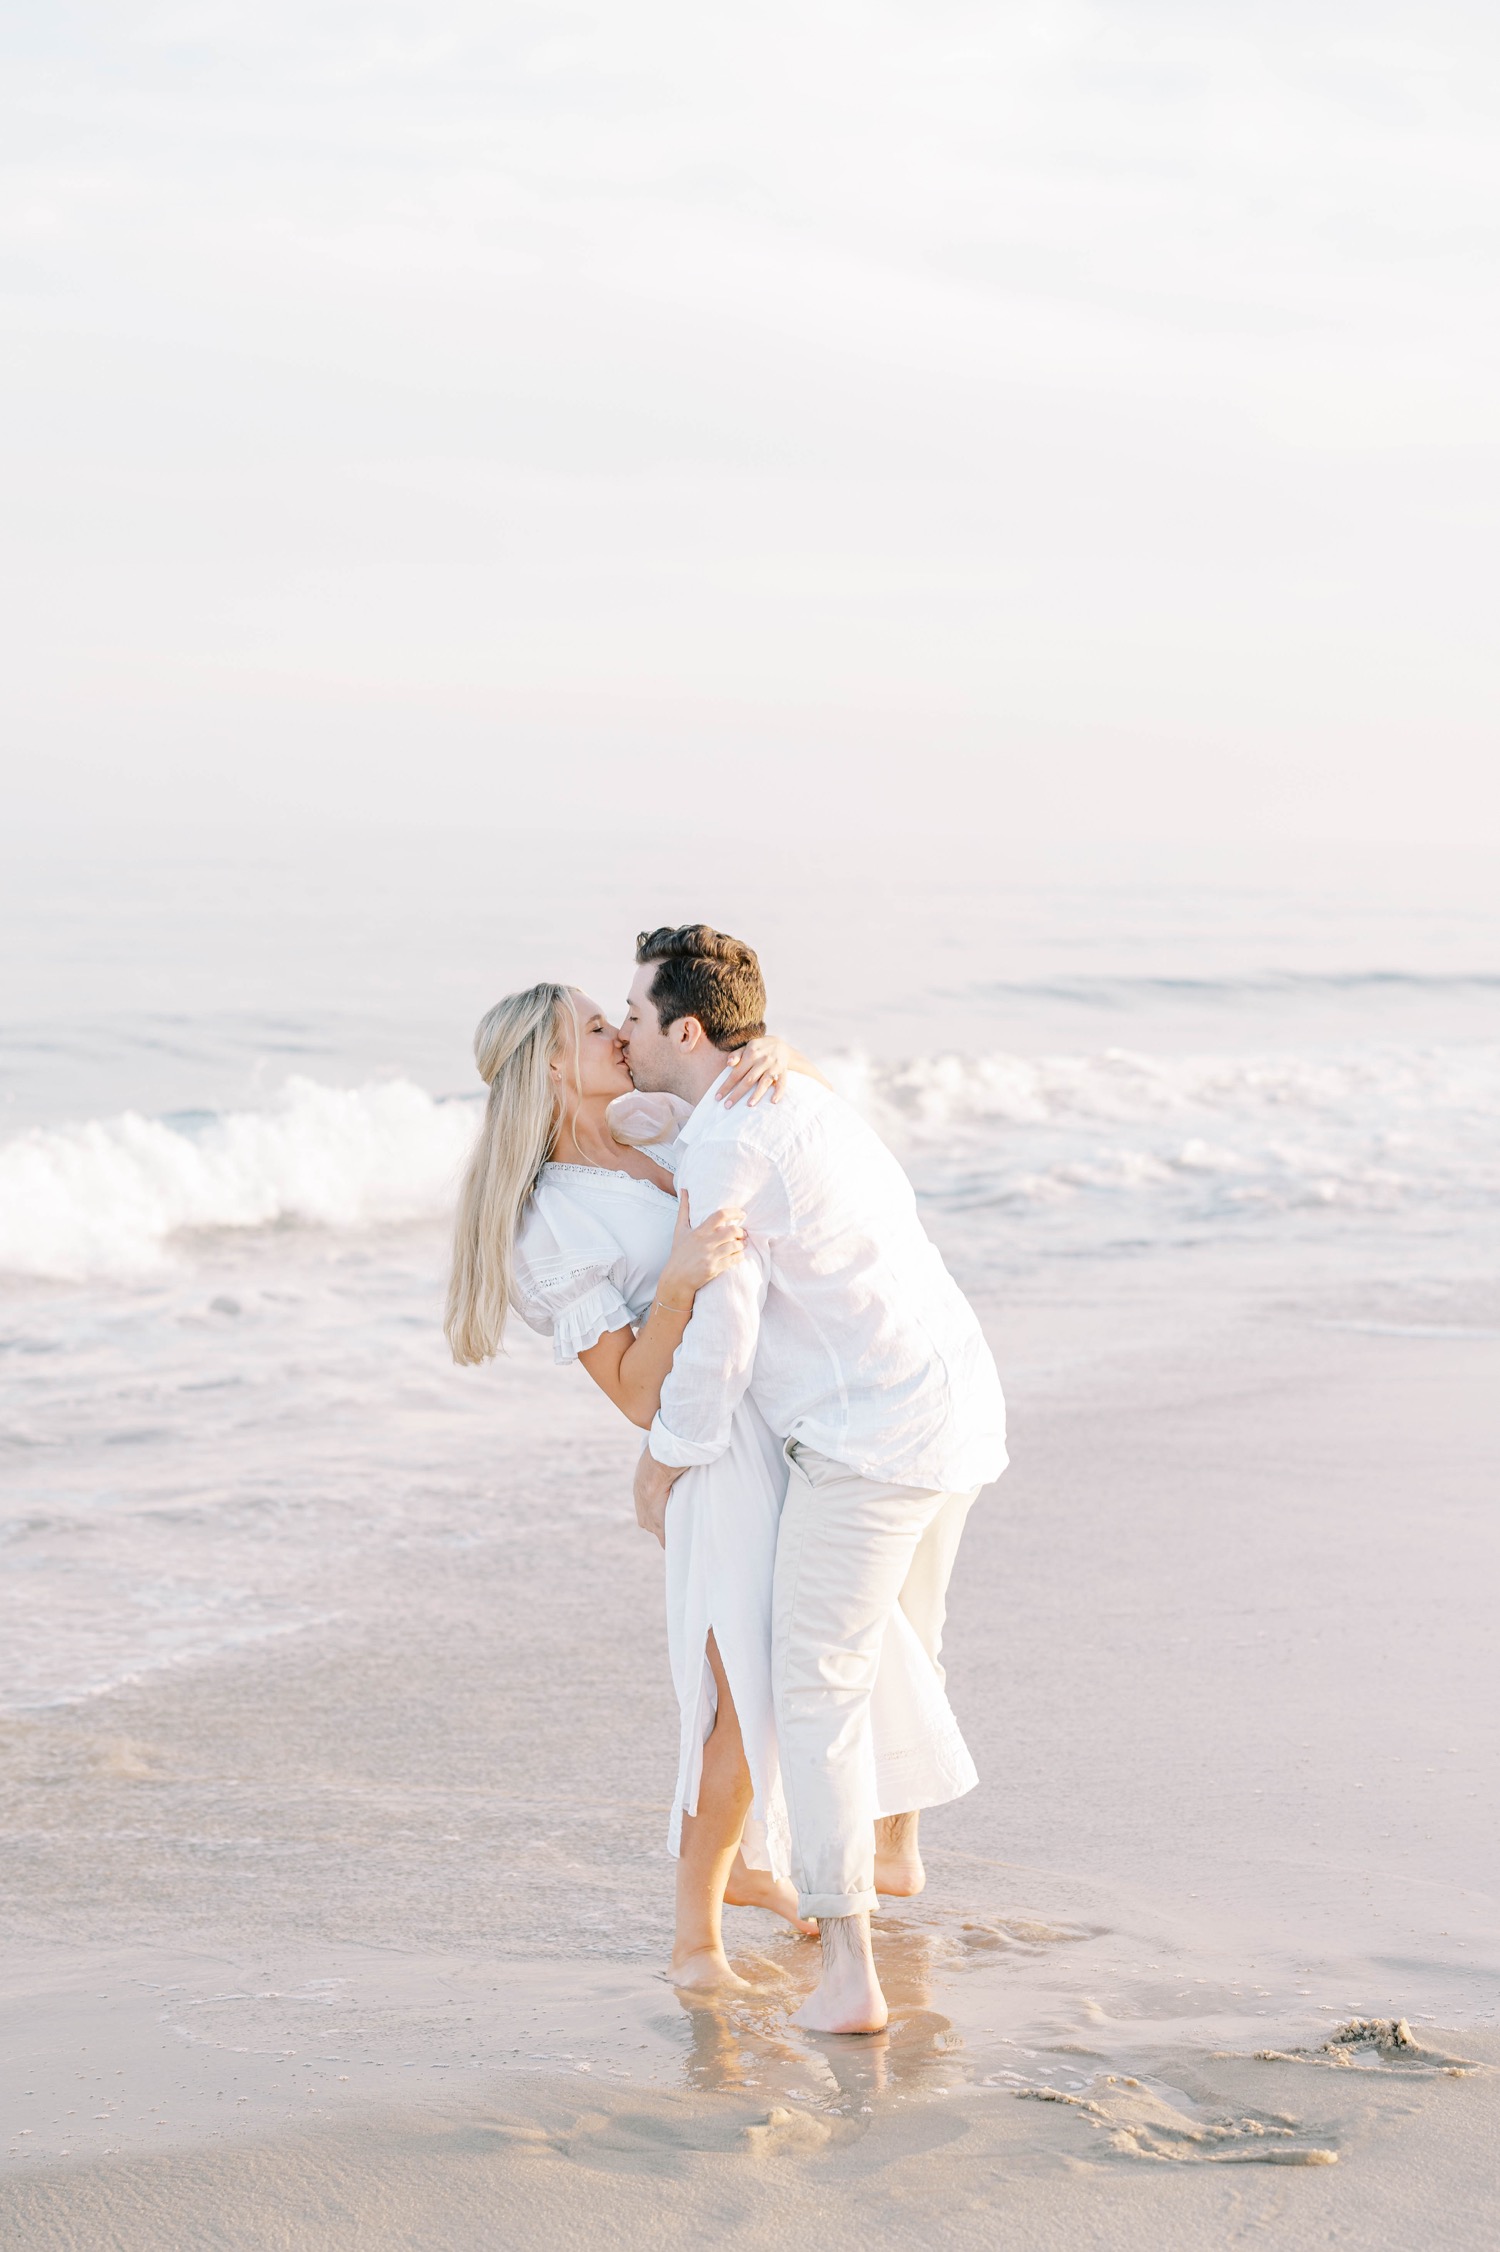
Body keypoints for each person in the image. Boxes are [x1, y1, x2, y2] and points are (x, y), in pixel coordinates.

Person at [623, 925, 1008, 2036]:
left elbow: (723, 1334)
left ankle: (849, 1968)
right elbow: (654, 1112)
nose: (629, 1033)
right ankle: (896, 1847)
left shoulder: (721, 1150)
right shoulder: (799, 1097)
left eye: (639, 1018)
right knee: (900, 1630)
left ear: (687, 1029)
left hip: (875, 1435)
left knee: (816, 1680)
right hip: (959, 1400)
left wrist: (664, 1458)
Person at [444, 980, 816, 1988]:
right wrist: (685, 1280)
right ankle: (695, 1936)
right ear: (555, 1064)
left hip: (778, 1415)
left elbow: (772, 1149)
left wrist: (777, 1064)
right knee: (736, 1689)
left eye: (618, 1018)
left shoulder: (651, 1132)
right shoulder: (553, 1220)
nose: (620, 1033)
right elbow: (634, 1395)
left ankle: (746, 1866)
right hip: (714, 1450)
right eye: (596, 1028)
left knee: (793, 1675)